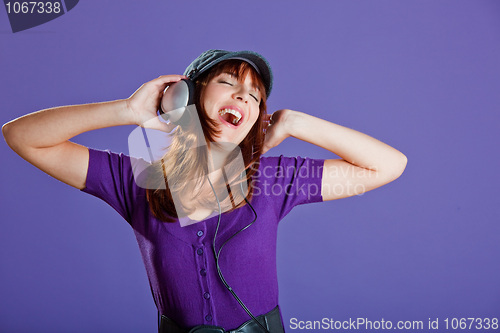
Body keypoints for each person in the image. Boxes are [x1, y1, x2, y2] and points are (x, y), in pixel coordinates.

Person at [2, 49, 407, 333]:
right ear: (188, 96)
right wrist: (125, 111)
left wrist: (295, 122)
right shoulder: (139, 178)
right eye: (228, 82)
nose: (242, 97)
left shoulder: (274, 179)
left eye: (254, 95)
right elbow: (21, 136)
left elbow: (389, 165)